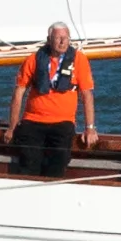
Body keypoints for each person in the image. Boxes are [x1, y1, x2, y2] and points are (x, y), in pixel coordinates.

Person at [8, 24, 93, 179]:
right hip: (33, 121)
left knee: (59, 161)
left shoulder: (79, 60)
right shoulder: (33, 60)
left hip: (63, 123)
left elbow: (87, 95)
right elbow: (18, 93)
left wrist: (90, 128)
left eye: (65, 38)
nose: (62, 42)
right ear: (49, 40)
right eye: (58, 38)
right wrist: (12, 127)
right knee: (28, 161)